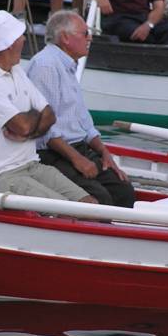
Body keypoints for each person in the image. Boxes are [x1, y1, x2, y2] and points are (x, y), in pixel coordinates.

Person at [0, 11, 97, 203]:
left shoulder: (16, 70)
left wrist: (26, 128)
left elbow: (49, 115)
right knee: (70, 210)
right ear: (9, 44)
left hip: (31, 165)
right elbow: (25, 125)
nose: (24, 39)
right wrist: (31, 123)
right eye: (19, 35)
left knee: (89, 203)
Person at [27, 11, 137, 207]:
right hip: (54, 153)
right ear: (65, 38)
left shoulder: (68, 65)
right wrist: (77, 159)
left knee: (124, 190)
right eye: (85, 33)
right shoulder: (46, 65)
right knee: (99, 198)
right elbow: (45, 129)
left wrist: (104, 152)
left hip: (77, 147)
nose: (90, 38)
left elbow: (83, 121)